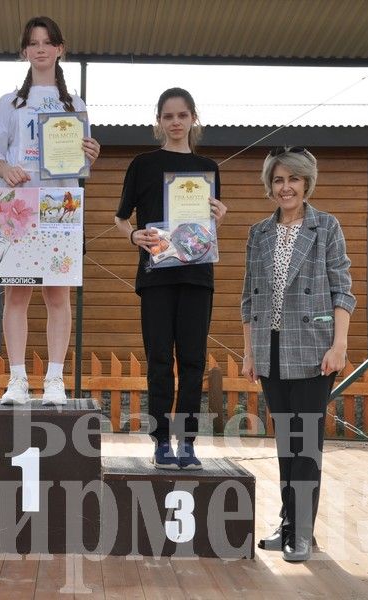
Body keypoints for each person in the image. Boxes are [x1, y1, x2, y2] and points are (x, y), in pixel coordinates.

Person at [241, 146, 355, 562]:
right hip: (270, 350)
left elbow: (343, 288)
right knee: (286, 443)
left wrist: (339, 345)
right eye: (277, 180)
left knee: (306, 443)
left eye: (293, 179)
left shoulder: (326, 227)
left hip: (313, 348)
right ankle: (289, 523)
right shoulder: (258, 232)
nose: (285, 187)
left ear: (307, 183)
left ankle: (302, 532)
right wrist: (249, 352)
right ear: (270, 186)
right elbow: (249, 298)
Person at [0, 15, 101, 406]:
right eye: (33, 43)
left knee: (57, 297)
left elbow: (79, 164)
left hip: (59, 209)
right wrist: (7, 170)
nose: (40, 49)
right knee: (15, 297)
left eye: (47, 42)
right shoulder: (9, 102)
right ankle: (17, 378)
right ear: (24, 51)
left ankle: (54, 378)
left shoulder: (76, 104)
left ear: (59, 49)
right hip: (16, 206)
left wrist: (92, 154)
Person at [114, 88, 227, 471]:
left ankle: (189, 443)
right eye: (168, 116)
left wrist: (219, 218)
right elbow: (120, 217)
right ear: (158, 121)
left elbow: (207, 229)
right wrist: (133, 236)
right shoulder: (142, 164)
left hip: (197, 275)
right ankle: (161, 441)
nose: (175, 122)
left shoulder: (209, 168)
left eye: (182, 115)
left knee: (193, 360)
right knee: (160, 359)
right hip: (156, 276)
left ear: (193, 118)